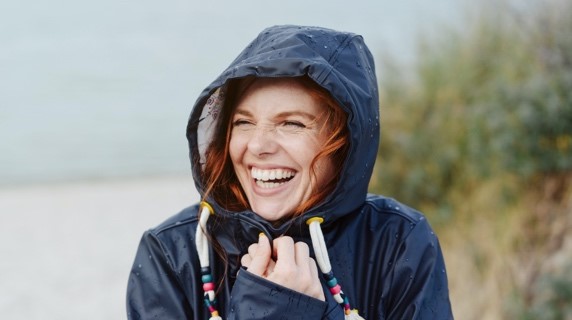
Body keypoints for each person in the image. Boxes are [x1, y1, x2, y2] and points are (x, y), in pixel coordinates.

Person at [126, 25, 453, 319]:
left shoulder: (398, 242)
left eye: (291, 123)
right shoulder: (171, 253)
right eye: (243, 122)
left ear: (345, 142)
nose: (258, 146)